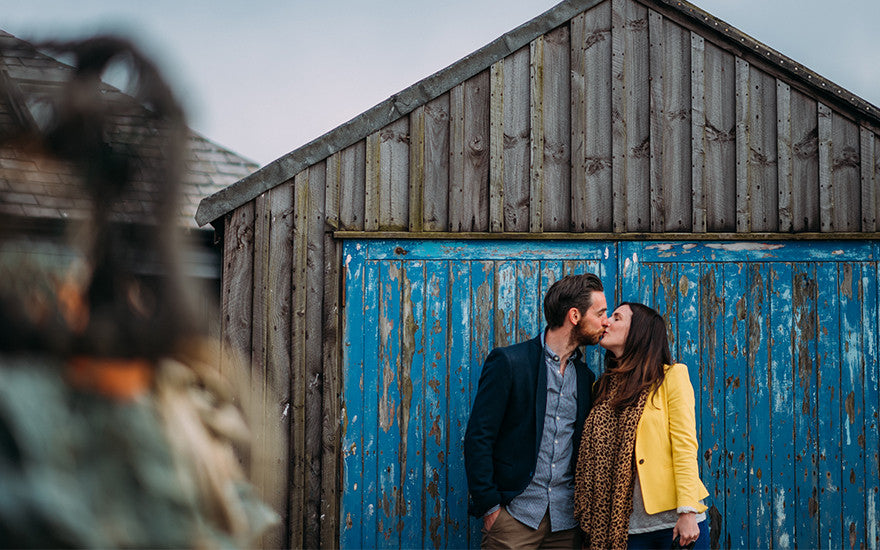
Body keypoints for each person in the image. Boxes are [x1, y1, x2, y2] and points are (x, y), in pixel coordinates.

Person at [465, 273, 609, 548]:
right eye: (600, 312)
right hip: (513, 520)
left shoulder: (585, 376)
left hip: (565, 525)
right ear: (575, 315)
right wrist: (491, 508)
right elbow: (478, 437)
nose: (606, 321)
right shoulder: (509, 362)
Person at [574, 302, 709, 550]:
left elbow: (685, 446)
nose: (606, 322)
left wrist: (688, 511)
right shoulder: (601, 388)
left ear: (639, 332)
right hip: (622, 529)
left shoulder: (670, 377)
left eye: (616, 318)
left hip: (672, 523)